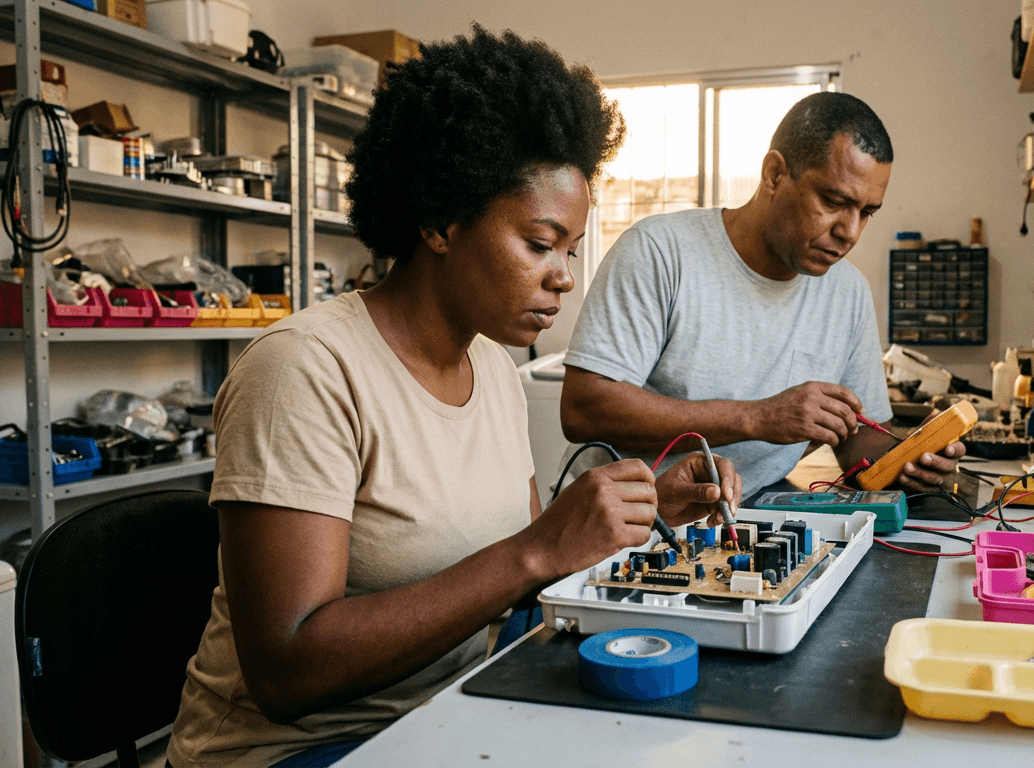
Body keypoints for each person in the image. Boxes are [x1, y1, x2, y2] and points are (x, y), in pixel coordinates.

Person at [167, 27, 740, 768]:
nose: (564, 275)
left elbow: (527, 574)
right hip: (299, 752)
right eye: (540, 243)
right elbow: (288, 671)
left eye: (570, 249)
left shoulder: (494, 370)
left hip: (452, 711)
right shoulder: (304, 369)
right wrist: (537, 550)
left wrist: (641, 512)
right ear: (441, 220)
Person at [560, 92, 963, 499]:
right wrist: (759, 417)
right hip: (622, 530)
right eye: (834, 201)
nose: (851, 232)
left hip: (744, 527)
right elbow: (583, 409)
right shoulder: (659, 251)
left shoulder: (848, 292)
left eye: (867, 212)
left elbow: (858, 438)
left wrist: (908, 460)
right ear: (773, 174)